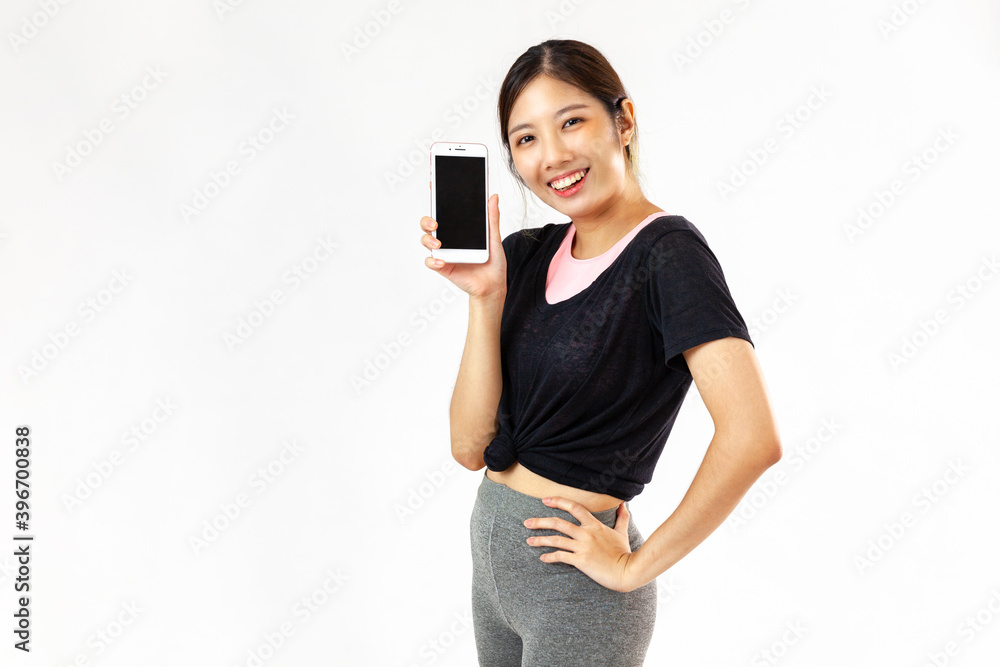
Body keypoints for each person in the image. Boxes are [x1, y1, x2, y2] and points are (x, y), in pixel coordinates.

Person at [419, 39, 782, 666]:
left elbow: (753, 438)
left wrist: (634, 568)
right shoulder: (528, 254)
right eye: (526, 139)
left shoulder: (668, 255)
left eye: (572, 122)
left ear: (624, 120)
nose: (553, 156)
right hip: (493, 578)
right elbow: (468, 447)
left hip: (579, 597)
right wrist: (485, 298)